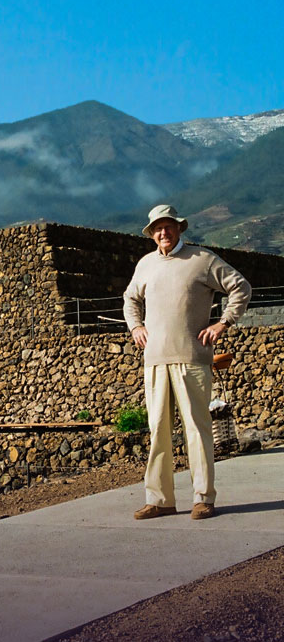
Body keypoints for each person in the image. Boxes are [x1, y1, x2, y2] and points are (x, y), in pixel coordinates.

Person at [123, 205, 251, 520]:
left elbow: (241, 287)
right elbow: (129, 299)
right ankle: (160, 499)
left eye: (168, 227)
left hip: (192, 359)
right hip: (154, 360)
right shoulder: (146, 264)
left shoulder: (201, 260)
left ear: (179, 229)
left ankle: (203, 497)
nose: (163, 233)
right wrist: (136, 326)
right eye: (157, 228)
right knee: (158, 431)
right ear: (151, 233)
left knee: (197, 429)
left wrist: (222, 324)